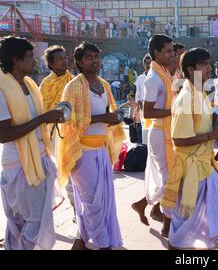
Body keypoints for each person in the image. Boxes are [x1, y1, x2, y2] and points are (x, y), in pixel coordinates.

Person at [161, 48, 218, 250]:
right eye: (204, 64)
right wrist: (212, 136)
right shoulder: (185, 97)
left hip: (204, 166)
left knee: (194, 220)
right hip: (192, 169)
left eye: (210, 63)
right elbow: (179, 140)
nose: (210, 68)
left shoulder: (200, 94)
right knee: (185, 222)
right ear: (190, 69)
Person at [57, 42, 125, 250]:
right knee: (92, 204)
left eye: (97, 56)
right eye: (89, 57)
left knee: (102, 202)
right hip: (82, 152)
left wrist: (113, 119)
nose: (94, 60)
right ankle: (103, 245)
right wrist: (104, 117)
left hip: (101, 151)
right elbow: (69, 122)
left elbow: (105, 115)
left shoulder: (104, 84)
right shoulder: (73, 87)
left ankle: (80, 242)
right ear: (79, 62)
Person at [0, 36, 65, 250]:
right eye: (30, 57)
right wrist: (43, 119)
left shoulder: (28, 83)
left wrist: (50, 117)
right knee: (31, 220)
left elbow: (35, 120)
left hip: (39, 158)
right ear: (16, 60)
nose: (35, 61)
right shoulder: (2, 88)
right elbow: (4, 134)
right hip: (18, 164)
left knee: (27, 221)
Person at [130, 35, 176, 237]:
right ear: (157, 53)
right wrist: (173, 112)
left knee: (169, 178)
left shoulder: (165, 73)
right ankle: (167, 225)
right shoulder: (153, 78)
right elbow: (147, 112)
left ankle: (142, 205)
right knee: (169, 180)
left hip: (168, 130)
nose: (172, 54)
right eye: (168, 51)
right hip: (159, 133)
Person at [38, 45, 76, 220]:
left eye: (65, 57)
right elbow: (40, 109)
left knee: (73, 173)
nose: (65, 60)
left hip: (72, 133)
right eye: (60, 58)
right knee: (54, 173)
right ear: (51, 64)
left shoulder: (74, 81)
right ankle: (46, 211)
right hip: (52, 135)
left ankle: (77, 209)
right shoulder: (45, 84)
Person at [134, 54, 152, 144]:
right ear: (144, 64)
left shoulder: (156, 77)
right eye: (147, 63)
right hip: (144, 109)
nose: (148, 65)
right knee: (145, 134)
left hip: (155, 109)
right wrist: (141, 107)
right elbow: (138, 95)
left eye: (150, 63)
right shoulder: (140, 78)